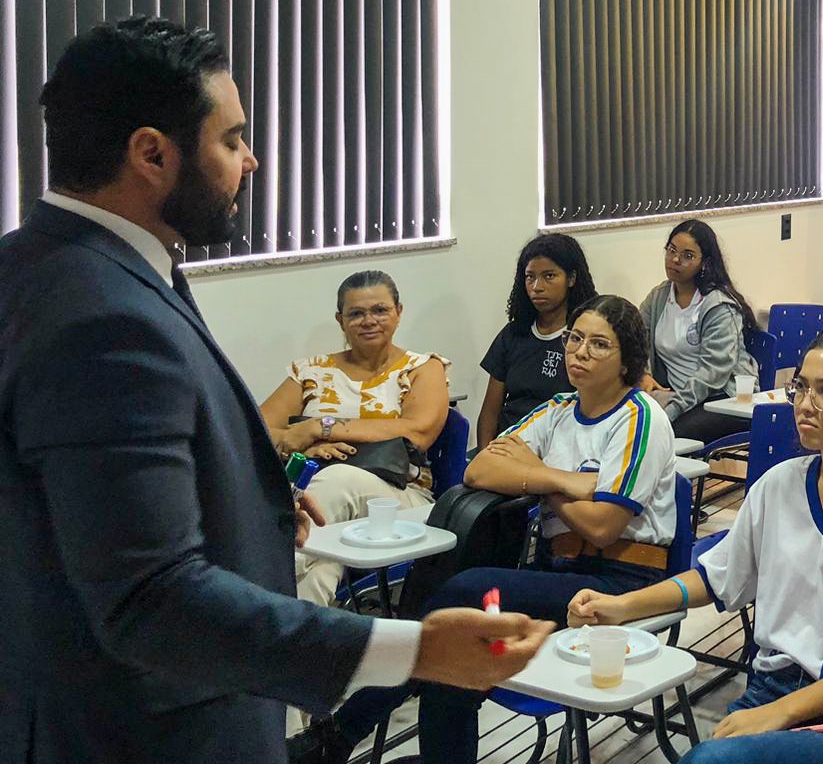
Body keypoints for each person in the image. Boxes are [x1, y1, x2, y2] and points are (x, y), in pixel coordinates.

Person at [0, 17, 541, 763]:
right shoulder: (101, 315)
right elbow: (150, 598)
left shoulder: (46, 267)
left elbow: (78, 498)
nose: (251, 160)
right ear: (152, 153)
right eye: (232, 140)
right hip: (149, 732)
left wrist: (247, 502)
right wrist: (413, 650)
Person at [299, 295, 679, 764]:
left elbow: (603, 526)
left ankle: (340, 733)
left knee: (461, 596)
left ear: (626, 361)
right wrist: (559, 480)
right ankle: (383, 746)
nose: (579, 352)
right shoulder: (559, 409)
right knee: (459, 642)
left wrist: (535, 476)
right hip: (557, 572)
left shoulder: (640, 417)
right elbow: (479, 469)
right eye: (575, 338)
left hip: (620, 583)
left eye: (599, 344)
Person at [569, 329, 823, 764]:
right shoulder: (778, 486)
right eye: (801, 386)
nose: (805, 404)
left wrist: (781, 712)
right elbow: (715, 577)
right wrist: (620, 606)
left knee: (710, 762)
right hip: (773, 688)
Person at [259, 271, 449, 608]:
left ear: (399, 312)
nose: (369, 321)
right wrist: (307, 445)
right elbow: (256, 432)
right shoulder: (310, 371)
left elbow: (417, 431)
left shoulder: (422, 368)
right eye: (356, 313)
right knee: (321, 567)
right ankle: (290, 632)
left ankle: (266, 578)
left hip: (398, 499)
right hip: (321, 502)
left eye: (380, 310)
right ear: (340, 320)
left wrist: (321, 427)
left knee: (339, 479)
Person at [639, 219, 759, 443]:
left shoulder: (718, 305)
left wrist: (673, 408)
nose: (675, 260)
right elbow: (637, 339)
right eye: (671, 250)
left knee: (664, 432)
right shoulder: (659, 297)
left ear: (704, 263)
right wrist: (643, 374)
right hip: (677, 395)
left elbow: (712, 373)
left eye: (688, 256)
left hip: (721, 398)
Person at [475, 232, 598, 447]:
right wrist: (485, 455)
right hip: (507, 445)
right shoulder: (514, 333)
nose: (536, 287)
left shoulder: (586, 338)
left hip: (561, 448)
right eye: (530, 277)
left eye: (549, 276)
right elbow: (490, 412)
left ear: (571, 278)